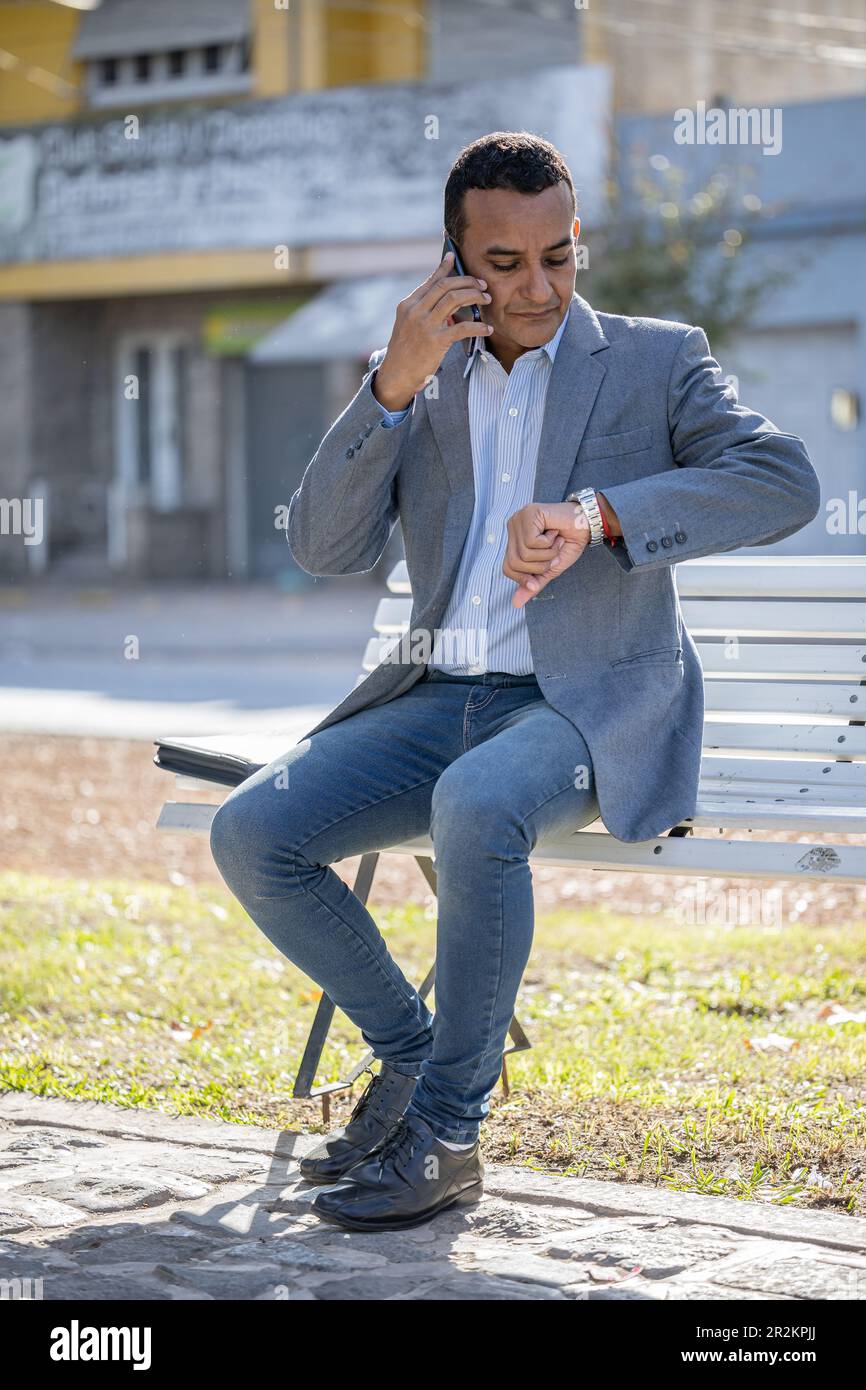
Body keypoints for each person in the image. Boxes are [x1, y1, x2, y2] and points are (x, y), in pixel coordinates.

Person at [209, 131, 820, 1233]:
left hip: (583, 706)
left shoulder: (653, 357)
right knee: (252, 833)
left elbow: (781, 481)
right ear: (453, 262)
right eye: (503, 262)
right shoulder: (421, 379)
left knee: (476, 805)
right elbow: (320, 546)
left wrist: (597, 515)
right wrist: (388, 385)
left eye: (559, 255)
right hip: (436, 696)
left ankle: (446, 1133)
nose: (537, 287)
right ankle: (409, 1061)